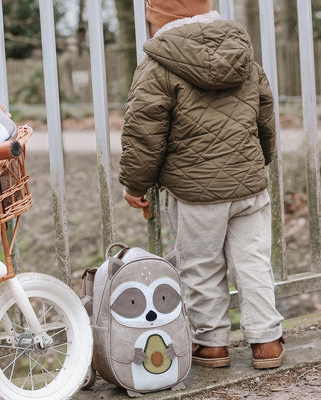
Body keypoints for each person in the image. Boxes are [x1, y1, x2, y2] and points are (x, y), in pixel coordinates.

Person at [119, 0, 285, 369]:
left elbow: (144, 133)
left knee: (201, 266)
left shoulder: (157, 65)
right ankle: (267, 343)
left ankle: (211, 345)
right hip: (248, 186)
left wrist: (135, 185)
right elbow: (265, 114)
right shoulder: (241, 52)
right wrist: (262, 159)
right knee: (254, 262)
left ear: (157, 17)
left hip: (195, 194)